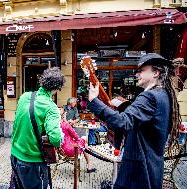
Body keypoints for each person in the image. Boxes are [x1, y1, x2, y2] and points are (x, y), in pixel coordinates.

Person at [87, 53, 181, 189]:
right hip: (151, 167)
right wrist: (124, 105)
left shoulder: (149, 96)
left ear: (155, 72)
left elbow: (122, 121)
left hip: (138, 171)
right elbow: (144, 120)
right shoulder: (163, 94)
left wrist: (94, 101)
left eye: (141, 71)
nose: (137, 74)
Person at [10, 67, 65, 189]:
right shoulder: (51, 108)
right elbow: (55, 139)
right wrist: (61, 136)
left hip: (14, 155)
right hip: (32, 161)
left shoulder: (24, 96)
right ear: (57, 88)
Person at [59, 106, 95, 173]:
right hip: (70, 150)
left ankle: (89, 164)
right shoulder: (66, 125)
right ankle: (89, 165)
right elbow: (76, 137)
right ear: (64, 115)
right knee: (84, 140)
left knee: (82, 142)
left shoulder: (54, 125)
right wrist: (82, 141)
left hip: (61, 150)